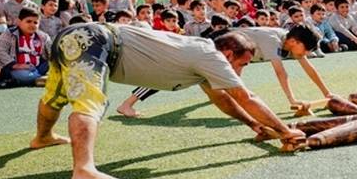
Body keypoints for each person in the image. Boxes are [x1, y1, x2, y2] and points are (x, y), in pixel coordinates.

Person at [34, 25, 306, 179]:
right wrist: (285, 132)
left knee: (55, 96)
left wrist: (255, 125)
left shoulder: (202, 57)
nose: (240, 70)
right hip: (94, 40)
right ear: (229, 55)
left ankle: (43, 137)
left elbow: (223, 99)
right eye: (243, 63)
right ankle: (83, 171)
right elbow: (246, 97)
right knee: (90, 102)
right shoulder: (212, 57)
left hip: (78, 36)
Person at [115, 24, 331, 118]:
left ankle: (229, 98)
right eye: (307, 48)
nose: (307, 53)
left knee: (232, 80)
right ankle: (127, 104)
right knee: (175, 73)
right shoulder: (272, 40)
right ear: (293, 41)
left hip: (237, 55)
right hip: (220, 44)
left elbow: (309, 68)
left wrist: (327, 94)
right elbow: (280, 72)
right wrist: (292, 99)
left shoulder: (290, 42)